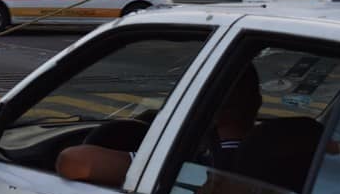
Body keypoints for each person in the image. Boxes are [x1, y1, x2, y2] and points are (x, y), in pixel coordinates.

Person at [55, 65, 262, 187]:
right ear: (258, 100)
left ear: (202, 105)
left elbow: (74, 161)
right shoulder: (270, 155)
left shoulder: (202, 165)